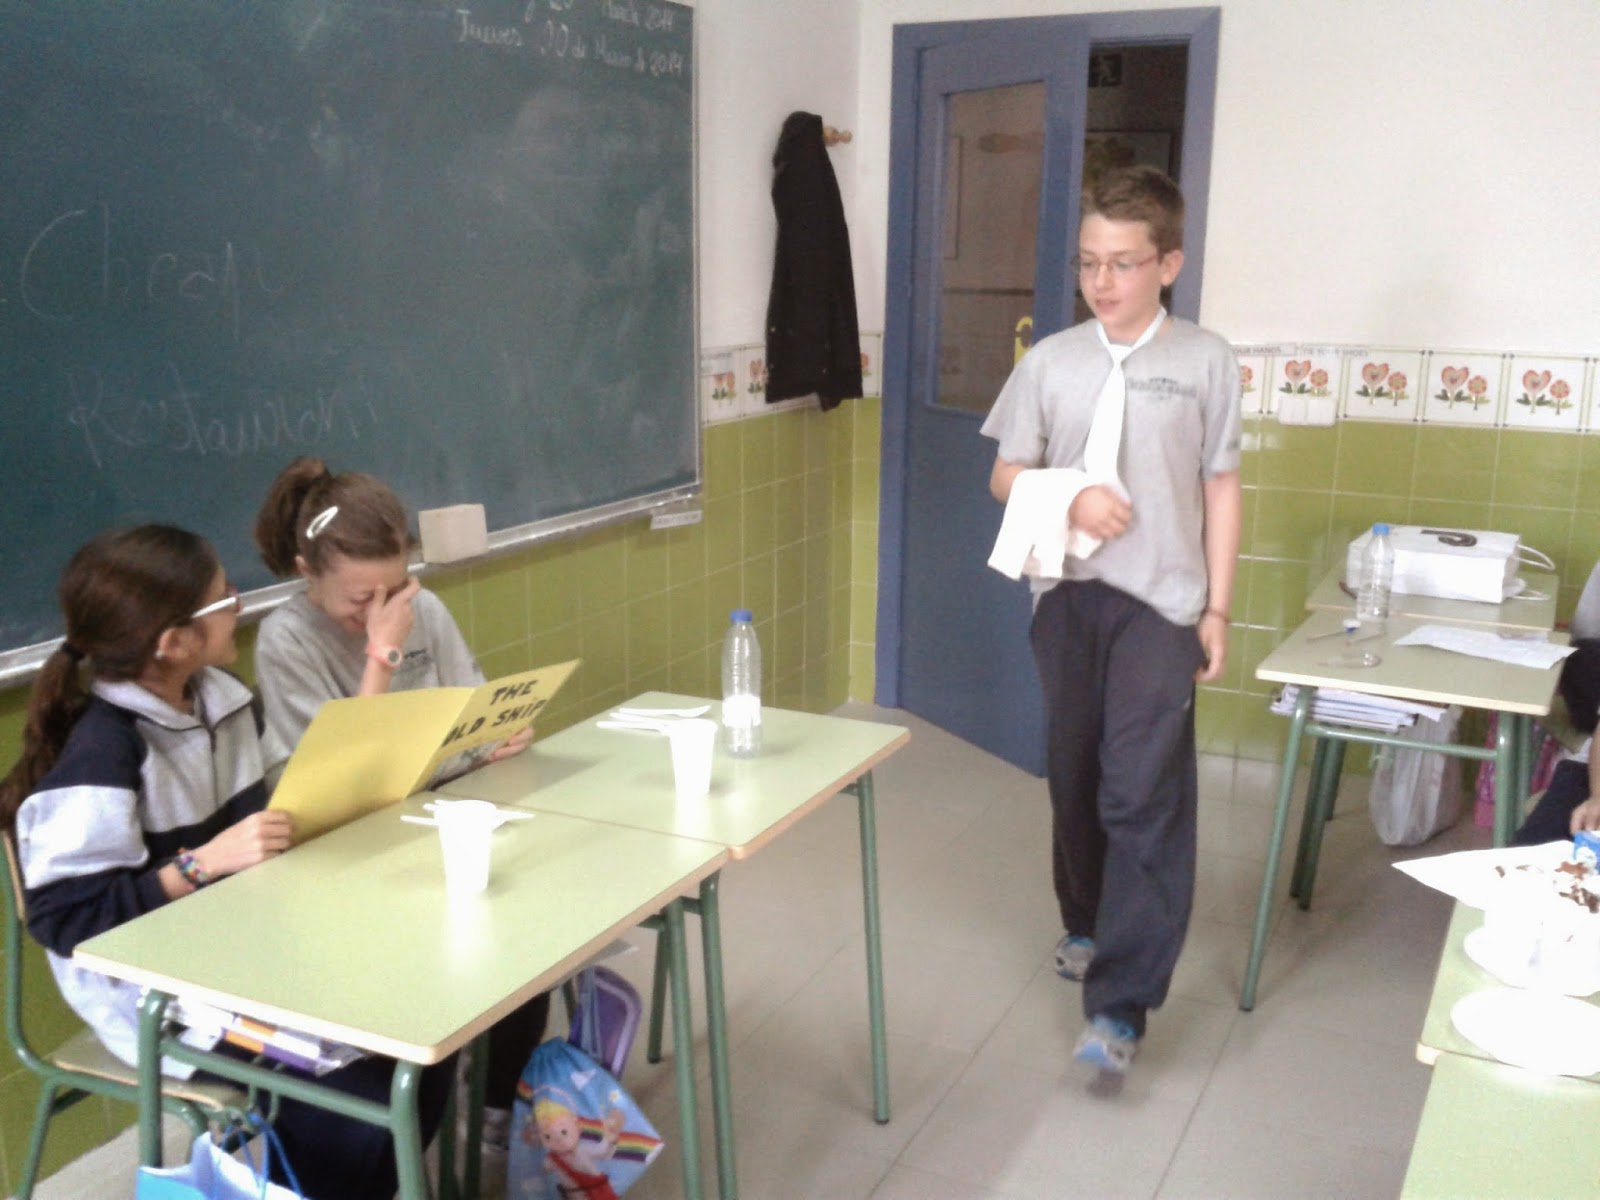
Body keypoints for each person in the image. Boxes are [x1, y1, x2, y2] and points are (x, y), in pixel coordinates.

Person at [0, 525, 455, 1199]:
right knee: (359, 1090)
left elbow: (277, 813)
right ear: (172, 642)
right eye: (225, 598)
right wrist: (200, 865)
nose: (240, 605)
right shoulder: (103, 753)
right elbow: (65, 921)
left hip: (245, 949)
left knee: (426, 1035)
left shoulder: (223, 698)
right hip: (155, 996)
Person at [980, 166, 1242, 1074]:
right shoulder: (1051, 361)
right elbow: (1005, 475)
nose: (1102, 280)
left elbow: (1221, 486)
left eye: (1123, 263)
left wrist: (1217, 607)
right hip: (1068, 598)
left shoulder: (1205, 361)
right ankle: (1088, 922)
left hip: (1161, 604)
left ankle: (1119, 1009)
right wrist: (1071, 495)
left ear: (1168, 263)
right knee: (1076, 775)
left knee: (1142, 789)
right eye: (1089, 262)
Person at [252, 456, 547, 1153]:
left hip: (435, 826)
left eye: (396, 589)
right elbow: (339, 786)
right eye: (361, 599)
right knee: (426, 975)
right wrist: (380, 656)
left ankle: (495, 1105)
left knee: (531, 947)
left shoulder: (426, 609)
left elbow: (467, 710)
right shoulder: (285, 639)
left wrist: (497, 736)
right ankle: (414, 1113)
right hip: (342, 856)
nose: (383, 612)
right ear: (306, 571)